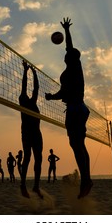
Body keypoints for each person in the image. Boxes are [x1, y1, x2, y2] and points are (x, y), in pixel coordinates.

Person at [45, 17, 92, 198]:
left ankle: (86, 180)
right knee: (79, 145)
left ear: (71, 57)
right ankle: (86, 179)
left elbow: (64, 93)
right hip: (79, 108)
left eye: (68, 53)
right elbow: (69, 48)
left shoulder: (73, 66)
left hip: (75, 109)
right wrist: (66, 30)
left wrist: (52, 97)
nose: (65, 53)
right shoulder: (73, 66)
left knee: (76, 144)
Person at [19, 60, 43, 198]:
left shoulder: (32, 101)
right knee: (27, 157)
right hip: (27, 132)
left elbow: (36, 88)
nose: (27, 93)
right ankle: (22, 185)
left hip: (36, 133)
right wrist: (25, 71)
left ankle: (35, 187)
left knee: (38, 158)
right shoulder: (23, 100)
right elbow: (24, 86)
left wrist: (34, 73)